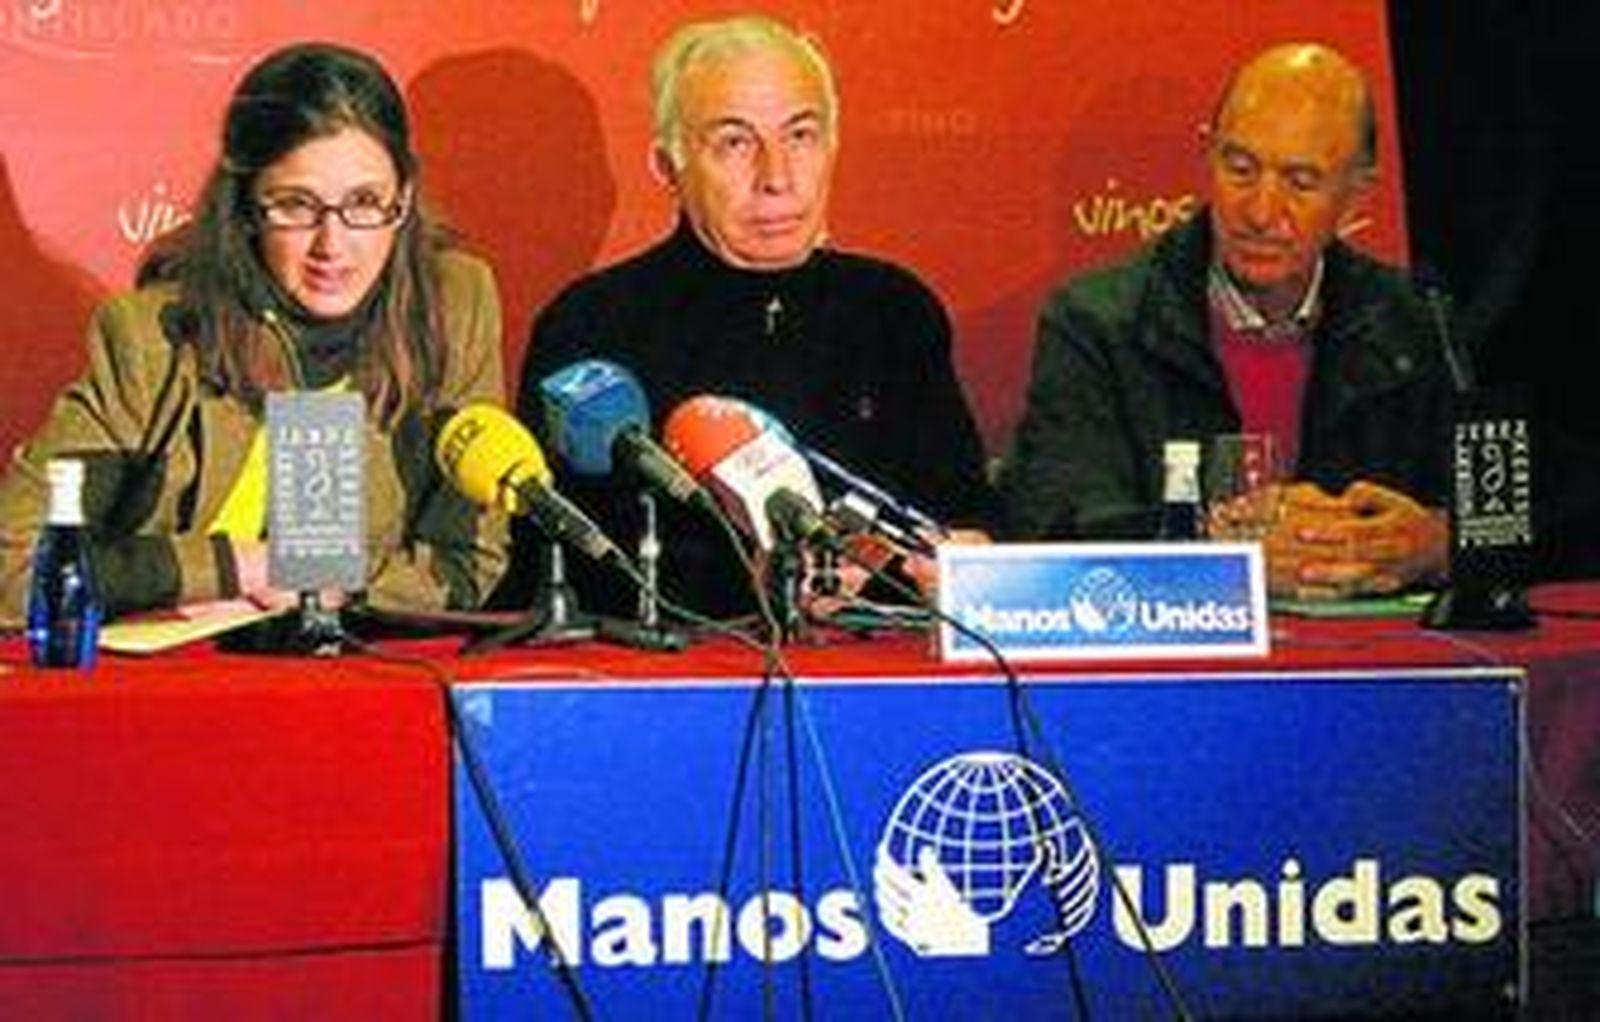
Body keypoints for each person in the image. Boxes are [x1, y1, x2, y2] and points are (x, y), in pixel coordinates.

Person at [0, 42, 509, 628]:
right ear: (244, 207)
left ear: (406, 198)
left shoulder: (453, 306)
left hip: (357, 680)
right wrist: (233, 565)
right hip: (184, 687)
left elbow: (468, 563)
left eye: (365, 203)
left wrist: (325, 585)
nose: (332, 245)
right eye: (296, 205)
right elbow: (17, 568)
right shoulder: (151, 339)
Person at [507, 13, 993, 619]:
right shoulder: (591, 326)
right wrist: (754, 588)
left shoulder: (894, 312)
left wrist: (946, 569)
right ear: (667, 165)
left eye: (801, 136)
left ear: (833, 145)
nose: (778, 178)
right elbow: (550, 570)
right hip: (672, 687)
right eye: (735, 143)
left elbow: (964, 520)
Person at [1001, 42, 1452, 600]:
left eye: (1301, 182)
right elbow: (1054, 527)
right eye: (1239, 169)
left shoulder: (1413, 320)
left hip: (1377, 665)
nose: (1261, 212)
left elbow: (1539, 512)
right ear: (1207, 155)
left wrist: (1438, 543)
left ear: (1358, 192)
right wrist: (1223, 557)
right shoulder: (1098, 321)